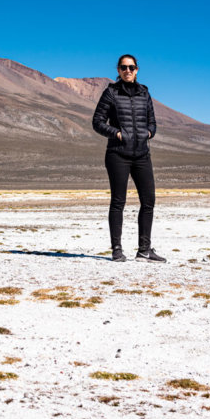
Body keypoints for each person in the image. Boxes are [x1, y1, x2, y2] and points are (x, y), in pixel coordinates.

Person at [91, 55, 166, 263]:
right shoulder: (111, 93)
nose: (128, 70)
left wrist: (148, 133)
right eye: (124, 67)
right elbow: (97, 121)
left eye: (131, 67)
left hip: (142, 154)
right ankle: (117, 250)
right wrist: (116, 133)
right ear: (118, 69)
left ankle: (144, 250)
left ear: (137, 69)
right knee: (118, 201)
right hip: (118, 154)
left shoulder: (144, 93)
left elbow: (152, 122)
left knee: (149, 200)